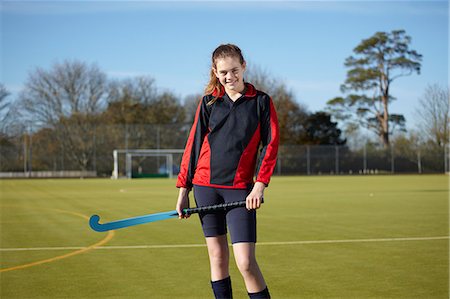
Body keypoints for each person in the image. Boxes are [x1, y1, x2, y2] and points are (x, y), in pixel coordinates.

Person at [176, 44, 279, 299]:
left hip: (240, 191)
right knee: (218, 258)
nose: (229, 76)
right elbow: (193, 146)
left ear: (244, 66)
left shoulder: (261, 102)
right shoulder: (209, 101)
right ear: (215, 71)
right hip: (205, 188)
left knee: (245, 262)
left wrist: (259, 185)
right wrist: (183, 190)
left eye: (234, 70)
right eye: (223, 72)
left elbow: (271, 145)